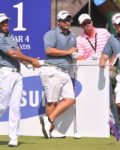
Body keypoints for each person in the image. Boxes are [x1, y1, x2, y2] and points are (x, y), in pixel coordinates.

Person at [0, 13, 41, 147]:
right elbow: (12, 54)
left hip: (17, 74)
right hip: (5, 74)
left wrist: (27, 64)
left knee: (16, 107)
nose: (6, 24)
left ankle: (13, 137)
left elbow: (18, 53)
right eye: (2, 23)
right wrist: (32, 60)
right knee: (2, 105)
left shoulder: (12, 37)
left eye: (6, 21)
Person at [76, 13, 120, 136]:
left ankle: (117, 129)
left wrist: (112, 62)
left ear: (92, 22)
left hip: (105, 72)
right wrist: (76, 56)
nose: (87, 25)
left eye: (88, 22)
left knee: (110, 102)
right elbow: (81, 57)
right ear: (81, 26)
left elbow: (114, 45)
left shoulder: (103, 32)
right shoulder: (79, 39)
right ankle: (96, 128)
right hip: (89, 75)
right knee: (92, 101)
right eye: (84, 24)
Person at [39, 10, 78, 139]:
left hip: (64, 72)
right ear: (59, 21)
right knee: (52, 102)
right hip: (52, 70)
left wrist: (74, 54)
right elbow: (49, 50)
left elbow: (71, 52)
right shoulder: (51, 34)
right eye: (65, 20)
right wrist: (68, 52)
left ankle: (49, 119)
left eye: (69, 20)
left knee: (70, 99)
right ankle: (51, 130)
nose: (68, 22)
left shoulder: (72, 36)